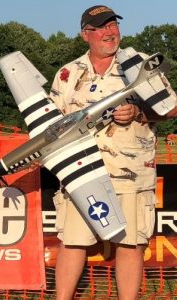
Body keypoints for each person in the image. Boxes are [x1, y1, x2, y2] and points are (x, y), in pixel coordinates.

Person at [48, 5, 177, 300]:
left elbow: (171, 108)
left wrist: (139, 111)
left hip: (132, 173)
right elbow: (53, 125)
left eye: (113, 26)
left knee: (131, 245)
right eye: (101, 27)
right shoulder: (68, 74)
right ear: (85, 35)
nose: (110, 32)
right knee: (73, 242)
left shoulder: (139, 64)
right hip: (81, 171)